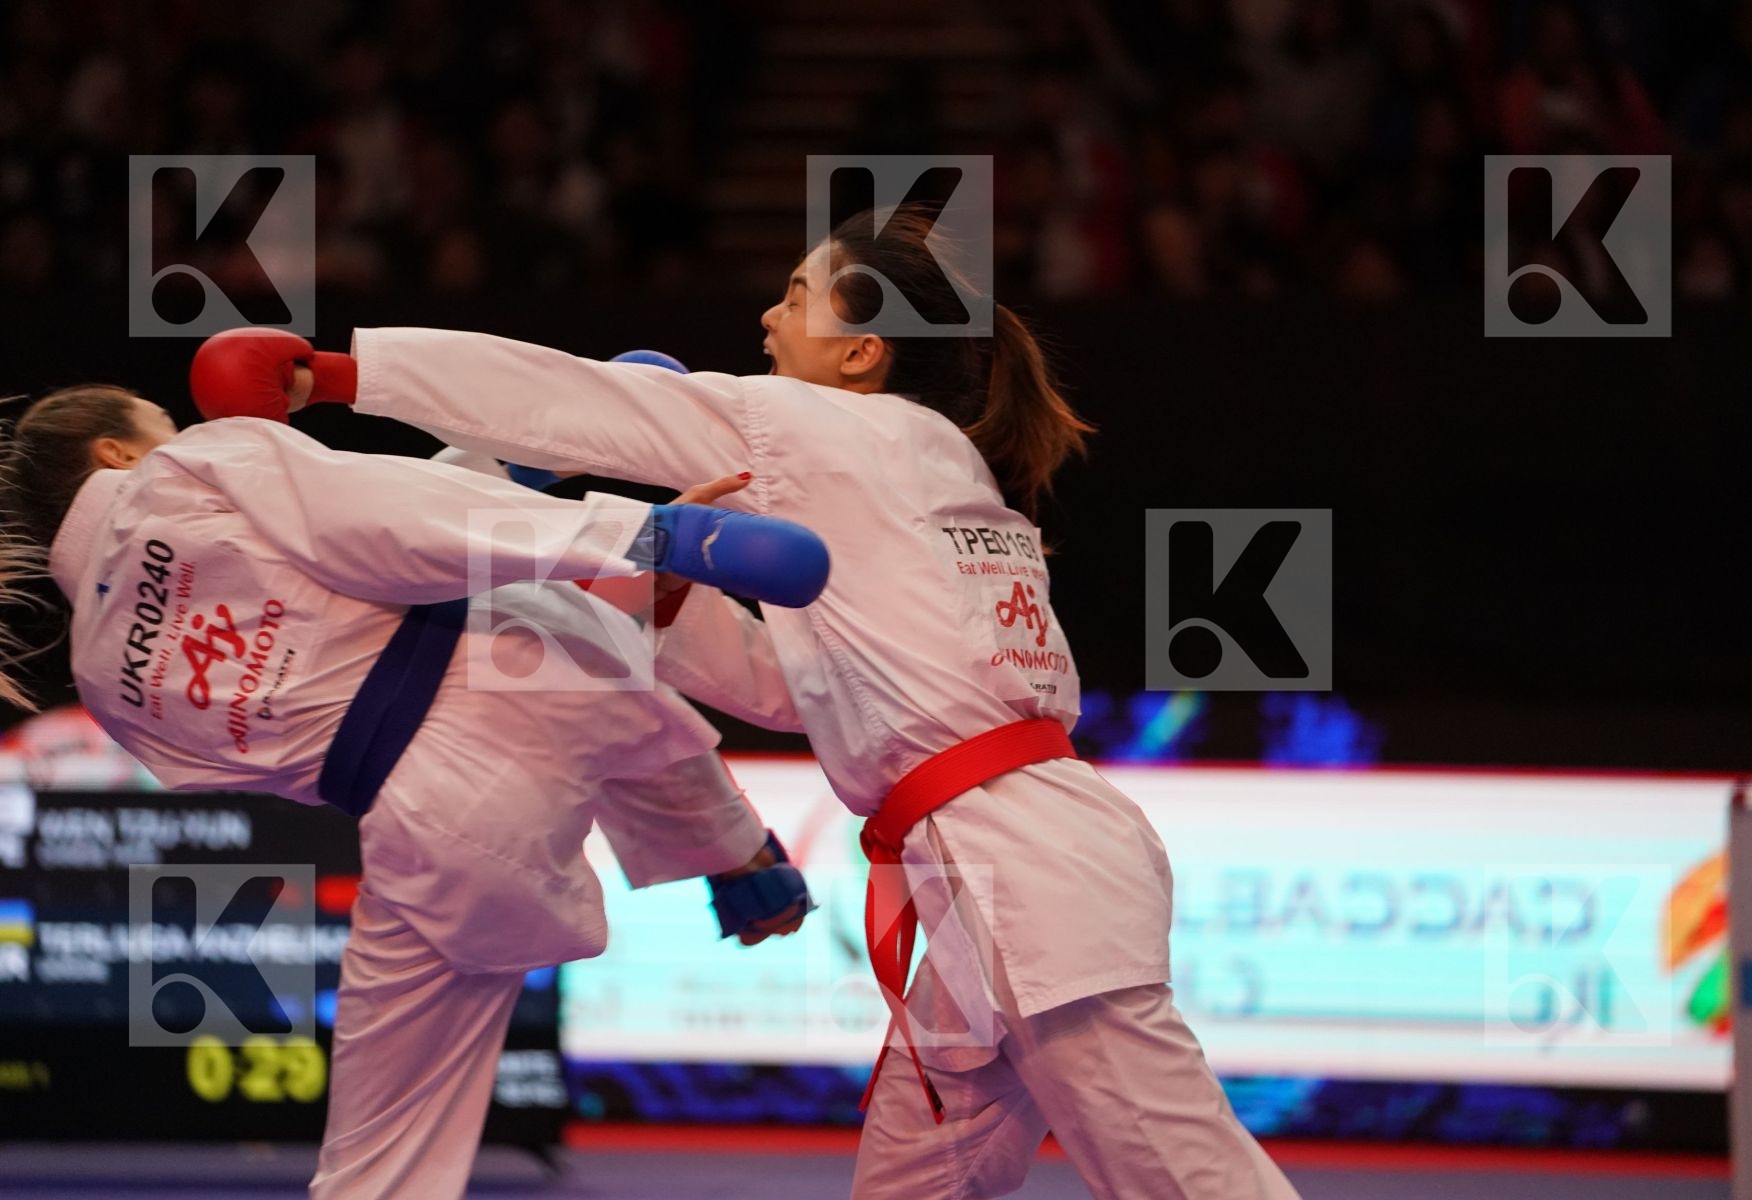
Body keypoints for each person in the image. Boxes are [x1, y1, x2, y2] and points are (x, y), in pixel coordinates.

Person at [194, 205, 1300, 1199]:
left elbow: (581, 401)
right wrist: (670, 582)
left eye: (797, 297)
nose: (769, 318)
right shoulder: (942, 482)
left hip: (1025, 869)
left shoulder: (830, 430)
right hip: (996, 864)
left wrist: (338, 376)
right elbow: (794, 693)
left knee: (1187, 1178)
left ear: (861, 353)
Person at [0, 382, 828, 1197]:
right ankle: (743, 847)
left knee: (378, 1161)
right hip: (540, 665)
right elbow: (378, 517)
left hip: (434, 819)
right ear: (114, 453)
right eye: (160, 424)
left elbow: (303, 683)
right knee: (573, 644)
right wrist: (643, 530)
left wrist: (493, 477)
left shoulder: (102, 677)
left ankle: (730, 833)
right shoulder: (187, 469)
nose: (176, 432)